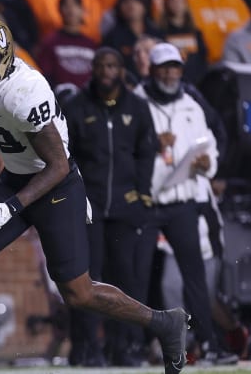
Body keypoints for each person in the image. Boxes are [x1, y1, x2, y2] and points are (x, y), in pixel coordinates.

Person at [0, 17, 190, 374]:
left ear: (0, 61)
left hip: (55, 186)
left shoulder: (24, 92)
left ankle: (165, 323)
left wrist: (12, 207)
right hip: (18, 176)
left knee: (78, 293)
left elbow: (58, 165)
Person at [133, 42, 238, 366]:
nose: (169, 73)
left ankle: (208, 344)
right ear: (152, 69)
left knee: (194, 278)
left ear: (181, 69)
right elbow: (123, 149)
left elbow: (210, 141)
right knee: (136, 277)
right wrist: (152, 142)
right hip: (148, 202)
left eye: (175, 66)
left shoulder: (192, 102)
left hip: (184, 202)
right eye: (164, 66)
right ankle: (132, 347)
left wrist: (209, 163)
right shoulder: (136, 100)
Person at [64, 47, 159, 367]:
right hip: (88, 206)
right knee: (86, 280)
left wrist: (142, 192)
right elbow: (66, 155)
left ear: (121, 70)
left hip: (125, 206)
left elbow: (147, 151)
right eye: (100, 65)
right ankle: (86, 348)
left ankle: (126, 347)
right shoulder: (76, 106)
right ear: (92, 69)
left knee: (126, 279)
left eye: (112, 65)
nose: (106, 71)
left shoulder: (138, 107)